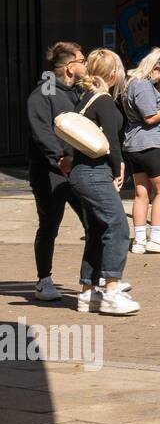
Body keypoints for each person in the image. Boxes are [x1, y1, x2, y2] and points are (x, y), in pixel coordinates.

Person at [69, 49, 138, 316]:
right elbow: (112, 143)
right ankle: (111, 290)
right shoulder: (105, 101)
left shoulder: (85, 98)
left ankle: (88, 293)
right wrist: (118, 169)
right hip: (95, 173)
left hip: (80, 173)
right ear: (113, 74)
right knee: (118, 227)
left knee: (97, 231)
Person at [26, 42, 87, 301]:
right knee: (49, 226)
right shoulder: (43, 94)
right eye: (82, 60)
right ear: (70, 66)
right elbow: (41, 132)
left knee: (94, 221)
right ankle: (44, 280)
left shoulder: (77, 92)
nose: (86, 64)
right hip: (50, 172)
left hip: (78, 169)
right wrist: (60, 157)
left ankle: (98, 279)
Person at [122, 48, 160, 254]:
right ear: (156, 68)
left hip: (133, 144)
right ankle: (156, 237)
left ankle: (139, 240)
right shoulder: (144, 86)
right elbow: (150, 117)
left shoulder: (131, 83)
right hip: (150, 143)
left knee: (141, 193)